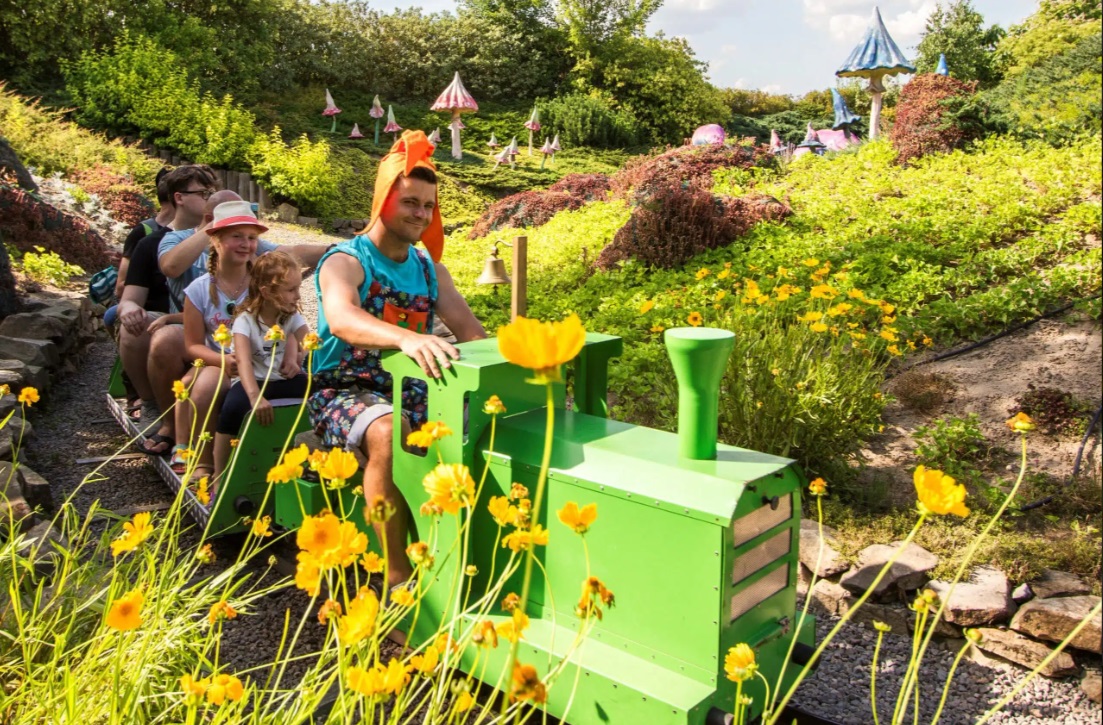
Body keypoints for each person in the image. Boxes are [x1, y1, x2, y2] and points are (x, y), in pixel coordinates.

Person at [310, 130, 486, 591]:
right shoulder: (344, 260)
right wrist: (407, 338)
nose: (421, 214)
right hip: (344, 390)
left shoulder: (431, 269)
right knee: (390, 431)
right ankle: (396, 575)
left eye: (428, 206)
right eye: (410, 202)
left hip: (416, 387)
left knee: (490, 423)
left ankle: (471, 554)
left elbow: (472, 335)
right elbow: (343, 317)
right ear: (383, 199)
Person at [127, 165, 219, 454]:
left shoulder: (238, 238)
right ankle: (156, 407)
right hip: (173, 318)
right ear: (179, 197)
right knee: (145, 329)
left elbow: (285, 252)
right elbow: (132, 289)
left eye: (213, 192)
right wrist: (129, 309)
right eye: (205, 193)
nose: (211, 198)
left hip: (216, 323)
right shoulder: (154, 241)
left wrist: (333, 250)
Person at [173, 200, 268, 478]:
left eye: (251, 238)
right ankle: (203, 461)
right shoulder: (199, 290)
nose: (245, 244)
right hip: (217, 359)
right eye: (236, 236)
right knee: (206, 387)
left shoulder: (263, 285)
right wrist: (224, 360)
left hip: (260, 359)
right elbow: (192, 346)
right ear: (215, 240)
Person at [212, 250, 309, 484]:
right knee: (233, 409)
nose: (297, 296)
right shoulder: (245, 320)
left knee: (319, 394)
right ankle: (219, 474)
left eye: (298, 288)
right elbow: (243, 360)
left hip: (282, 379)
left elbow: (309, 341)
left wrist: (296, 357)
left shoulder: (290, 316)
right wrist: (254, 396)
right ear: (266, 292)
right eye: (290, 290)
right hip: (253, 381)